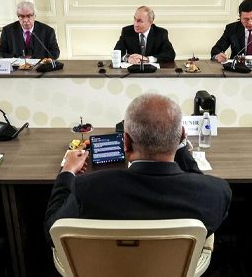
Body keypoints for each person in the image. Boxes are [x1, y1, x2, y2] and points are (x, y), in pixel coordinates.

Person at [43, 93, 232, 246]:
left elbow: (53, 232)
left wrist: (66, 172)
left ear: (125, 142)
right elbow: (198, 184)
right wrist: (180, 147)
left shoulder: (87, 188)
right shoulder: (216, 192)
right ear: (182, 135)